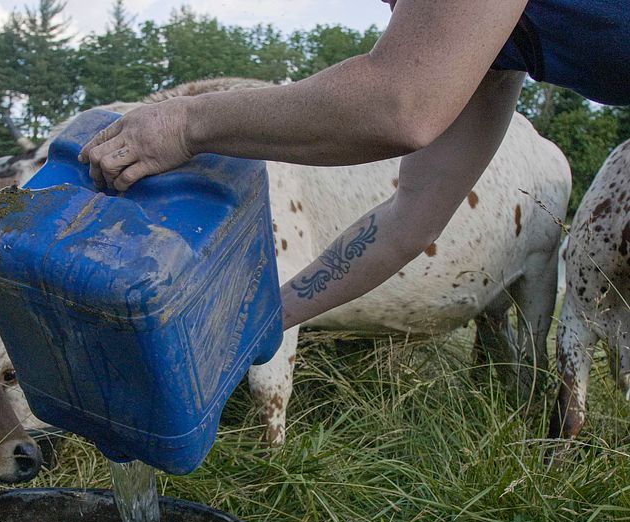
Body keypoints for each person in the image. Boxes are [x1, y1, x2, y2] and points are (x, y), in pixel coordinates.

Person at [78, 0, 630, 331]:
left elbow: (397, 105)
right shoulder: (493, 43)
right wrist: (261, 321)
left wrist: (183, 125)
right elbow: (408, 221)